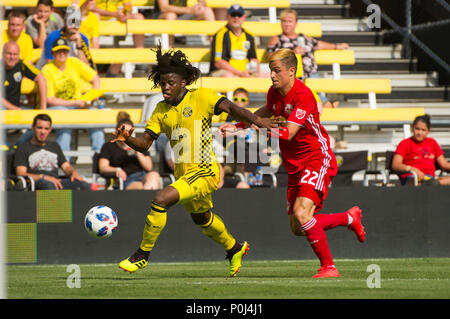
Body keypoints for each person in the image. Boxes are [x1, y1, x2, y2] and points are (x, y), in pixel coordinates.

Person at [116, 45, 275, 276]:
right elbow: (145, 145)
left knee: (160, 199)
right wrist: (128, 139)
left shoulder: (202, 96)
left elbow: (233, 108)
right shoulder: (161, 110)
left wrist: (258, 121)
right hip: (184, 174)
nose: (165, 88)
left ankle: (142, 254)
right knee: (202, 219)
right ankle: (235, 248)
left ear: (183, 82)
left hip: (205, 171)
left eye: (170, 83)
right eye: (162, 83)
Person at [220, 49, 365, 278]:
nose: (272, 75)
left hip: (316, 157)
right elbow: (264, 112)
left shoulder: (303, 95)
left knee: (301, 214)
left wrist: (263, 125)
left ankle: (329, 267)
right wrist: (240, 126)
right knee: (298, 227)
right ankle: (349, 218)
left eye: (277, 71)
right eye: (270, 71)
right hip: (295, 164)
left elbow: (288, 134)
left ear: (291, 71)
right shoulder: (274, 92)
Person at [266, 9, 349, 108]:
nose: (287, 24)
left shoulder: (303, 37)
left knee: (312, 83)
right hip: (292, 75)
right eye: (284, 21)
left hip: (311, 73)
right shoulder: (277, 39)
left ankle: (324, 104)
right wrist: (292, 53)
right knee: (306, 87)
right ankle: (326, 104)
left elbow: (318, 44)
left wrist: (336, 46)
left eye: (290, 21)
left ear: (296, 23)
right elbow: (271, 57)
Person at [41, 37, 105, 156]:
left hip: (78, 104)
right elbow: (49, 100)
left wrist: (92, 96)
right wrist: (75, 103)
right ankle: (65, 163)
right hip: (60, 107)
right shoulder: (47, 69)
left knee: (95, 118)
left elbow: (95, 78)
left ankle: (100, 160)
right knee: (64, 118)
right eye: (58, 51)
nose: (62, 53)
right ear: (52, 53)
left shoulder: (74, 62)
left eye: (64, 51)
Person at [13, 113, 91, 190]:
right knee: (48, 185)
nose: (43, 132)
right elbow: (21, 174)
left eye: (46, 129)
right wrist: (44, 177)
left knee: (84, 185)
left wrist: (73, 172)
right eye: (39, 128)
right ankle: (56, 202)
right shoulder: (23, 147)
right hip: (35, 184)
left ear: (50, 130)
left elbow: (66, 166)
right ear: (33, 128)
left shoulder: (54, 146)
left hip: (56, 182)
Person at [98, 112, 161, 190]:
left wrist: (136, 150)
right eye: (123, 131)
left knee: (154, 175)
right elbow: (103, 167)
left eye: (128, 132)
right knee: (144, 187)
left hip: (144, 175)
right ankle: (149, 200)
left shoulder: (140, 144)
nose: (125, 134)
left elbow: (149, 167)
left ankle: (149, 198)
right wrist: (117, 169)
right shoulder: (109, 146)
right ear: (117, 131)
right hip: (126, 179)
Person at [392, 114, 450, 186]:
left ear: (428, 131)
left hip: (429, 178)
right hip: (411, 178)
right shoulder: (405, 143)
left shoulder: (432, 143)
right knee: (418, 181)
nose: (419, 133)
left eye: (423, 130)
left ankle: (433, 184)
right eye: (417, 129)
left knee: (435, 181)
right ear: (412, 128)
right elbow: (395, 165)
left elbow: (444, 164)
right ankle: (430, 184)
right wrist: (412, 169)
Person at [37, 5, 95, 70]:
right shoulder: (53, 37)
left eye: (76, 22)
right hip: (51, 73)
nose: (73, 25)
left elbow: (86, 67)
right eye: (71, 21)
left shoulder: (83, 39)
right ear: (64, 22)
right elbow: (49, 62)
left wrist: (79, 46)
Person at [209, 4, 260, 78]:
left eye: (239, 15)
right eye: (233, 15)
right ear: (227, 16)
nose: (236, 18)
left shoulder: (249, 36)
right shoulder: (221, 34)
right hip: (223, 72)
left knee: (265, 76)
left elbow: (254, 59)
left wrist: (252, 73)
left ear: (244, 17)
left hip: (244, 72)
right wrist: (240, 73)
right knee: (229, 75)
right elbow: (218, 63)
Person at [2, 41, 47, 110]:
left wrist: (43, 108)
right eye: (9, 54)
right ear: (3, 54)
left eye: (15, 54)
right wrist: (16, 109)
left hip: (16, 109)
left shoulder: (21, 65)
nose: (12, 57)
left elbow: (41, 78)